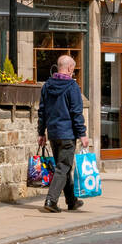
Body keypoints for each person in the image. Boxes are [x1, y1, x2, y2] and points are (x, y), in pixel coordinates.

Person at [37, 54, 90, 213]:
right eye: (73, 69)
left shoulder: (47, 85)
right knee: (63, 167)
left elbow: (42, 111)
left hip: (53, 134)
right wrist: (83, 134)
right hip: (67, 134)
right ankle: (51, 200)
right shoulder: (72, 87)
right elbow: (76, 113)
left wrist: (41, 132)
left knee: (64, 166)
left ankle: (71, 201)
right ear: (70, 68)